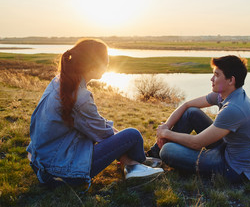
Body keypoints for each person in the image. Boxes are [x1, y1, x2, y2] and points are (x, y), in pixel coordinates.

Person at [26, 38, 163, 189]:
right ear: (92, 65)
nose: (107, 66)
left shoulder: (59, 81)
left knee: (121, 135)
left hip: (41, 163)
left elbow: (97, 126)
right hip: (63, 171)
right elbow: (103, 133)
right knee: (133, 135)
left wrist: (116, 135)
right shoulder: (80, 97)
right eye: (105, 62)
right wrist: (120, 137)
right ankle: (137, 162)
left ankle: (133, 163)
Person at [148, 55, 250, 184]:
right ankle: (154, 153)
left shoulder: (234, 108)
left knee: (168, 151)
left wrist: (165, 133)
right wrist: (166, 126)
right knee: (191, 112)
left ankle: (159, 152)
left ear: (231, 80)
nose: (211, 79)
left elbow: (196, 143)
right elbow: (187, 105)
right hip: (227, 148)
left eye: (216, 75)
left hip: (234, 170)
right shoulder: (224, 95)